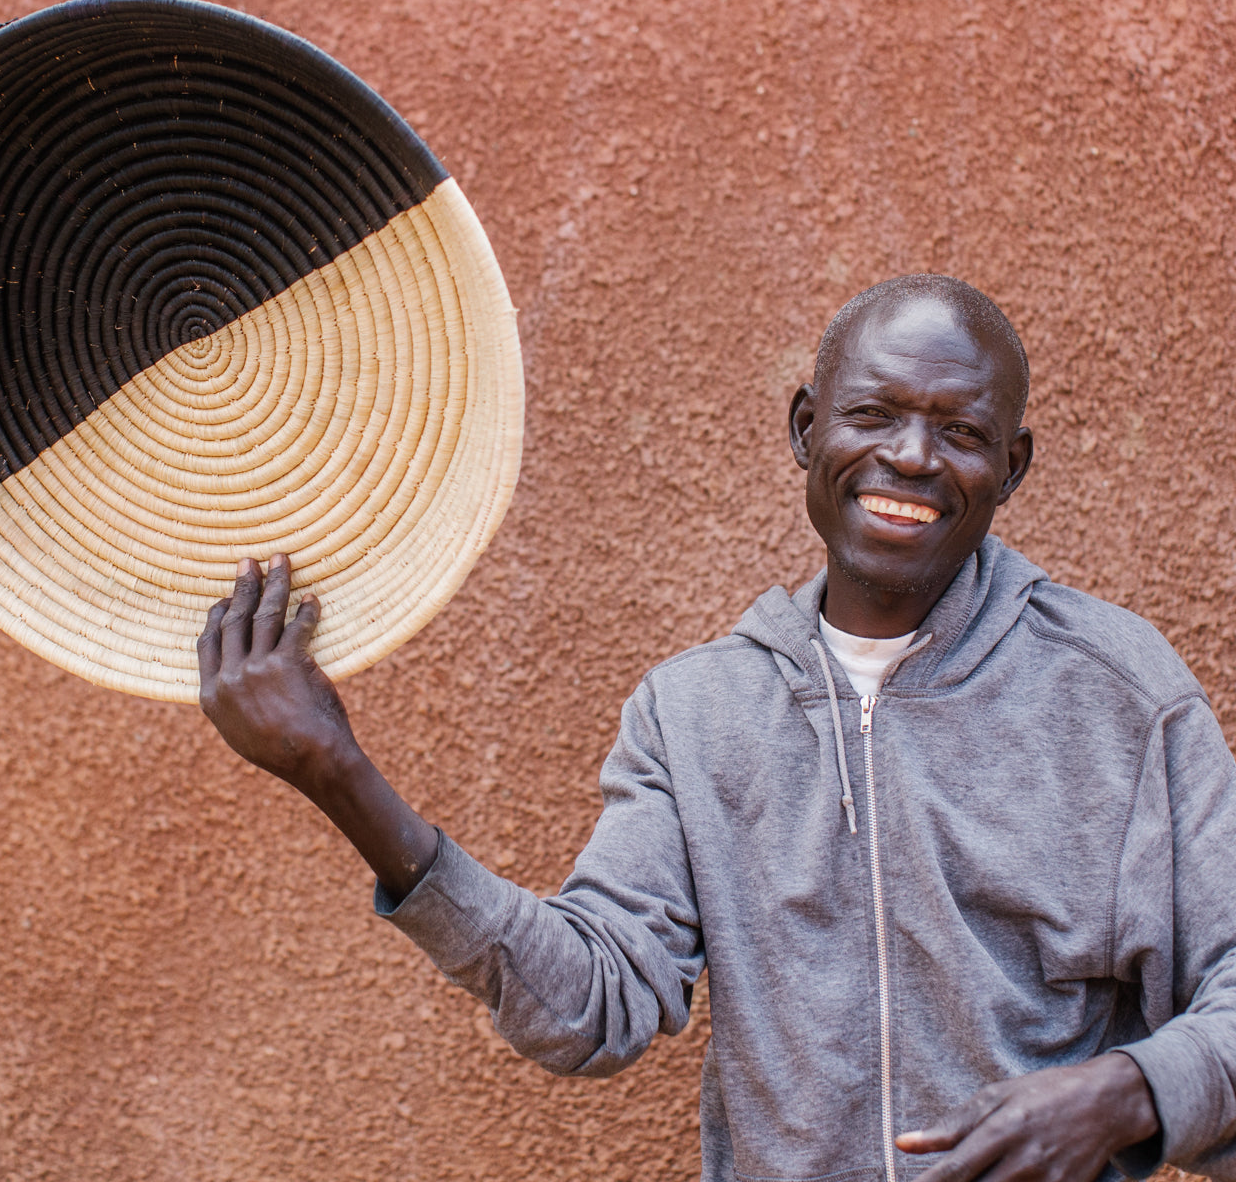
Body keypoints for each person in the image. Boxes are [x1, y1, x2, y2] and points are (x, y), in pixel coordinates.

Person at [196, 275, 1236, 1182]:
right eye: (871, 413)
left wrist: (1124, 1088)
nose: (911, 456)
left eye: (959, 432)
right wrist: (336, 771)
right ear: (802, 429)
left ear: (1009, 468)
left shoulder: (1117, 696)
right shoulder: (694, 715)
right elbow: (588, 1003)